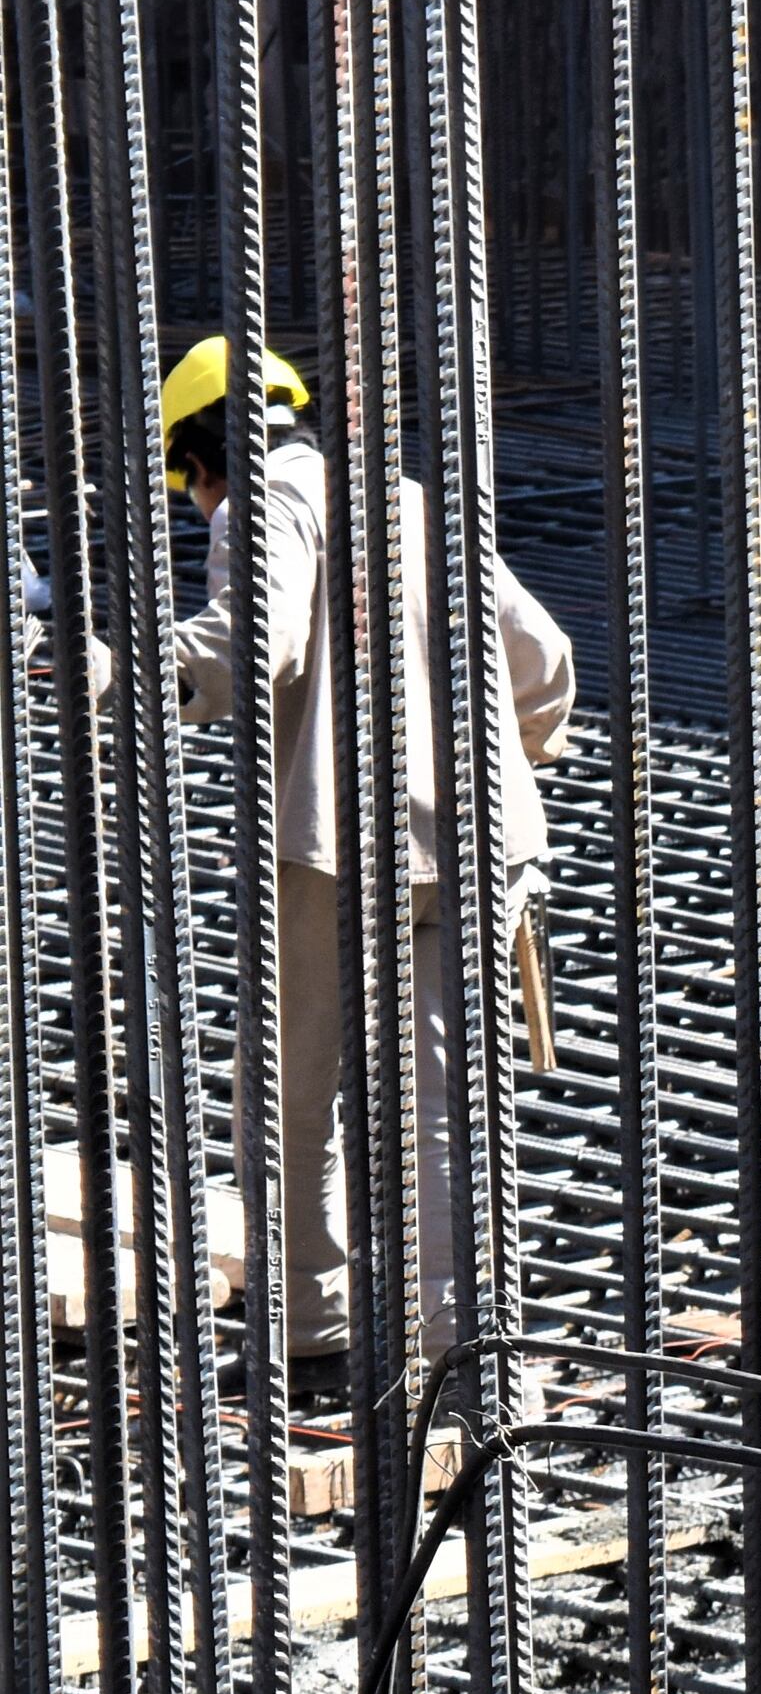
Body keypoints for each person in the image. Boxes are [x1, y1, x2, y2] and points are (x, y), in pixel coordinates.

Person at [146, 336, 578, 1408]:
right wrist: (492, 758)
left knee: (289, 1094)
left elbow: (257, 642)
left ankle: (316, 1330)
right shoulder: (411, 499)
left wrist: (128, 669)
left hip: (339, 845)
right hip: (482, 838)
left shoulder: (261, 506)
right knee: (446, 1105)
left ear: (199, 461)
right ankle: (475, 1374)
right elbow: (543, 659)